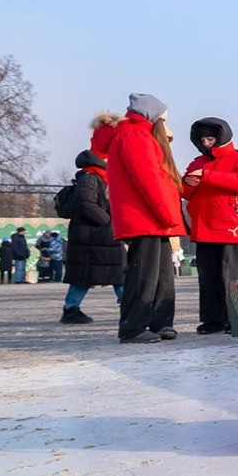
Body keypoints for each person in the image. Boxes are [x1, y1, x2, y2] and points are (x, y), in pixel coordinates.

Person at [108, 93, 186, 344]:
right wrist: (167, 214)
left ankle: (161, 321)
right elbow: (148, 179)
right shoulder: (135, 135)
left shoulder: (139, 135)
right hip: (145, 217)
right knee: (144, 273)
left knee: (162, 274)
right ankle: (132, 326)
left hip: (154, 218)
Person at [182, 117, 238, 334]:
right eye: (202, 140)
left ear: (221, 137)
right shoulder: (197, 162)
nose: (206, 143)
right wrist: (187, 183)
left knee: (230, 277)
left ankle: (233, 319)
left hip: (231, 228)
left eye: (210, 139)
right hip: (204, 227)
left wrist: (207, 175)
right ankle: (212, 319)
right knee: (208, 278)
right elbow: (186, 193)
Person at [61, 113, 127, 324]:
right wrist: (108, 221)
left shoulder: (97, 174)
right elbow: (86, 203)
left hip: (95, 235)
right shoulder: (91, 176)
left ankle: (71, 308)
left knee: (97, 273)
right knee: (113, 271)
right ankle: (127, 306)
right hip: (94, 234)